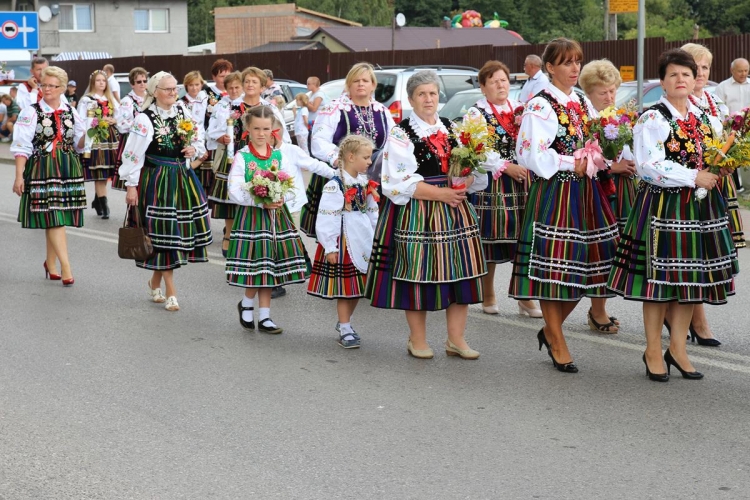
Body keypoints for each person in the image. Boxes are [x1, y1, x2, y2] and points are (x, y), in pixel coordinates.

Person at [607, 49, 738, 382]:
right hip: (665, 207)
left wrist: (722, 167)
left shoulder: (706, 117)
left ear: (695, 80)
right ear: (663, 82)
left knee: (690, 280)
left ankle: (678, 349)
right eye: (673, 74)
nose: (681, 79)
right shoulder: (653, 118)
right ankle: (653, 349)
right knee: (660, 283)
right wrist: (694, 176)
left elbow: (715, 155)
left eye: (686, 74)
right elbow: (649, 166)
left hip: (701, 207)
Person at [511, 38, 619, 374]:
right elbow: (529, 153)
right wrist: (571, 161)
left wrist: (604, 153)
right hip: (556, 192)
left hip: (586, 192)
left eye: (577, 61)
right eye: (566, 62)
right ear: (549, 67)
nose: (574, 68)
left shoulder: (582, 101)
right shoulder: (541, 105)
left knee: (588, 267)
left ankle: (550, 330)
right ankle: (557, 339)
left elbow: (595, 142)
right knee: (554, 267)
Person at [365, 70, 488, 360]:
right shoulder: (401, 133)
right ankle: (417, 339)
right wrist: (442, 194)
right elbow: (396, 181)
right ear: (411, 100)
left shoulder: (452, 128)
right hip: (420, 211)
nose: (428, 99)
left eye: (432, 93)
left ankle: (456, 339)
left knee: (462, 274)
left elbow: (475, 170)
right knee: (417, 275)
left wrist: (465, 181)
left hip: (455, 209)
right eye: (421, 94)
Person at [119, 71, 212, 312]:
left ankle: (155, 281)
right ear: (154, 92)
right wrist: (131, 185)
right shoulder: (144, 119)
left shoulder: (182, 111)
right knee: (163, 232)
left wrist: (193, 149)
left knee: (172, 234)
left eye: (175, 88)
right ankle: (171, 291)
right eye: (168, 89)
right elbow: (132, 154)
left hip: (181, 177)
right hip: (157, 179)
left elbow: (197, 136)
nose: (173, 92)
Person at [669, 43, 737, 347]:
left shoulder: (714, 101)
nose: (699, 73)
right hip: (686, 184)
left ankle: (689, 320)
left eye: (705, 67)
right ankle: (696, 322)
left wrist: (732, 159)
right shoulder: (678, 105)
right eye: (693, 67)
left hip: (716, 182)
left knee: (707, 254)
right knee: (691, 253)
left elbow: (728, 138)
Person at [464, 60, 542, 319]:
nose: (500, 85)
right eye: (494, 81)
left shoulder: (520, 109)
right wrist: (506, 167)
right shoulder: (476, 113)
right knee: (490, 240)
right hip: (492, 181)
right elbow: (478, 148)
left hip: (522, 180)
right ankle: (488, 294)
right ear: (483, 87)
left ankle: (524, 296)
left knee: (524, 239)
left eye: (504, 80)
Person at [226, 106, 308, 334]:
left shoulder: (278, 155)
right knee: (257, 265)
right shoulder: (243, 157)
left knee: (270, 266)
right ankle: (247, 304)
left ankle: (265, 316)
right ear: (248, 129)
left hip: (276, 217)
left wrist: (281, 197)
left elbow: (290, 183)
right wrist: (259, 200)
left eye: (265, 129)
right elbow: (234, 189)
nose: (261, 133)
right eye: (256, 129)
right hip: (253, 217)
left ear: (273, 130)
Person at [11, 66, 86, 286]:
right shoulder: (31, 112)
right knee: (54, 216)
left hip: (68, 166)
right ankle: (66, 267)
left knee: (54, 216)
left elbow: (80, 144)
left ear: (62, 88)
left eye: (52, 86)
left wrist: (92, 132)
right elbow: (21, 146)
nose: (47, 89)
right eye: (44, 85)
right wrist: (19, 177)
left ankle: (51, 263)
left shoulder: (71, 111)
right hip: (43, 167)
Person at [578, 59, 638, 334]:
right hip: (599, 187)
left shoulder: (617, 116)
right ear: (589, 92)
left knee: (619, 249)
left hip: (623, 186)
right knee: (601, 249)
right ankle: (597, 309)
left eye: (613, 90)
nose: (609, 96)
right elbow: (584, 156)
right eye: (603, 92)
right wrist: (614, 167)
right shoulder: (585, 119)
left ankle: (603, 305)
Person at [305, 63, 395, 239]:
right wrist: (338, 159)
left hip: (375, 177)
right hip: (343, 177)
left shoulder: (382, 111)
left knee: (375, 231)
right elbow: (318, 140)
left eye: (365, 81)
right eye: (356, 80)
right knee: (341, 234)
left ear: (373, 85)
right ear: (348, 84)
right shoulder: (334, 108)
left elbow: (394, 142)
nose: (360, 84)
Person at [208, 67, 288, 259]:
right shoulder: (229, 106)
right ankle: (229, 234)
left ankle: (258, 237)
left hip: (262, 157)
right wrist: (222, 138)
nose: (250, 85)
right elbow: (211, 130)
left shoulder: (269, 109)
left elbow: (281, 134)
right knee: (232, 197)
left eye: (254, 82)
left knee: (261, 193)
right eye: (247, 81)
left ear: (262, 86)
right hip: (235, 154)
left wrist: (274, 145)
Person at [308, 135, 379, 349]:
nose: (369, 162)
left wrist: (376, 234)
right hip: (344, 238)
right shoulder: (335, 184)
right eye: (365, 157)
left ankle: (344, 322)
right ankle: (346, 327)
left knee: (358, 286)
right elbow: (327, 216)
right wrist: (330, 246)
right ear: (350, 157)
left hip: (363, 237)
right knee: (346, 287)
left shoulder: (364, 182)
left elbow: (372, 210)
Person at [78, 70, 120, 219]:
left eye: (103, 80)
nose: (101, 83)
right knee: (100, 172)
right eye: (98, 80)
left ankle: (98, 200)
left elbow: (120, 116)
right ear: (93, 83)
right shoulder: (87, 100)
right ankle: (104, 206)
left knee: (106, 170)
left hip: (110, 137)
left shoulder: (111, 99)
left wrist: (113, 120)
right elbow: (81, 120)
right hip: (95, 136)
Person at [113, 67, 149, 191]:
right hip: (133, 140)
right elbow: (121, 123)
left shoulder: (150, 99)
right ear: (132, 84)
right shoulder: (127, 101)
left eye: (144, 81)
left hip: (148, 140)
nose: (142, 84)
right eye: (139, 82)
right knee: (134, 177)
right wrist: (139, 126)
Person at [181, 70, 212, 190]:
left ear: (201, 84)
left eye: (197, 84)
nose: (194, 88)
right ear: (186, 86)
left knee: (206, 172)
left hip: (206, 136)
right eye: (191, 85)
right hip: (191, 138)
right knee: (190, 169)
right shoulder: (182, 103)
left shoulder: (206, 98)